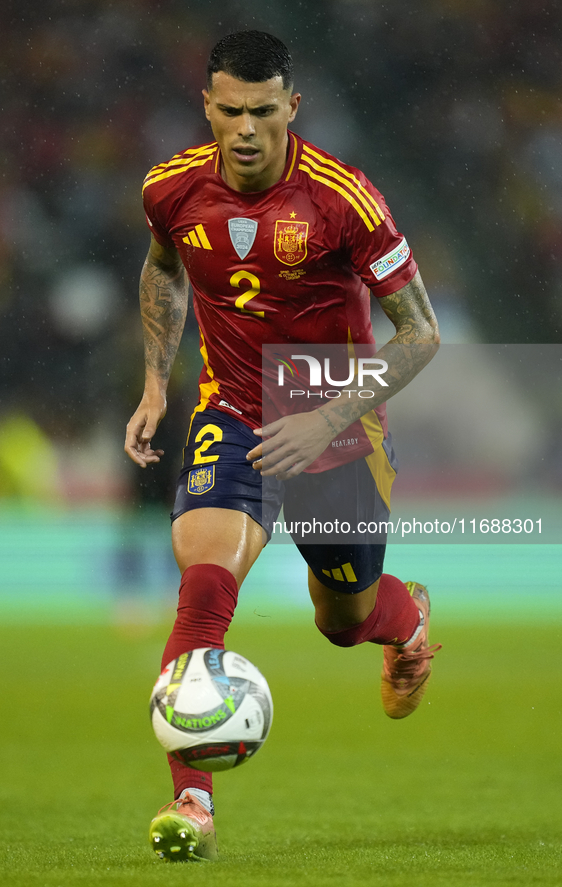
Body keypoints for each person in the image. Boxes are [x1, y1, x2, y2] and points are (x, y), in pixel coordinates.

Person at [125, 30, 441, 863]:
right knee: (202, 585)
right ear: (208, 107)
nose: (246, 129)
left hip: (336, 436)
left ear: (290, 107)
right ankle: (191, 800)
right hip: (229, 414)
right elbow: (162, 267)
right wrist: (157, 382)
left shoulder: (345, 199)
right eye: (230, 110)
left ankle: (402, 624)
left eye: (263, 111)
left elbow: (420, 335)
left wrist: (326, 417)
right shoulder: (169, 188)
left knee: (343, 622)